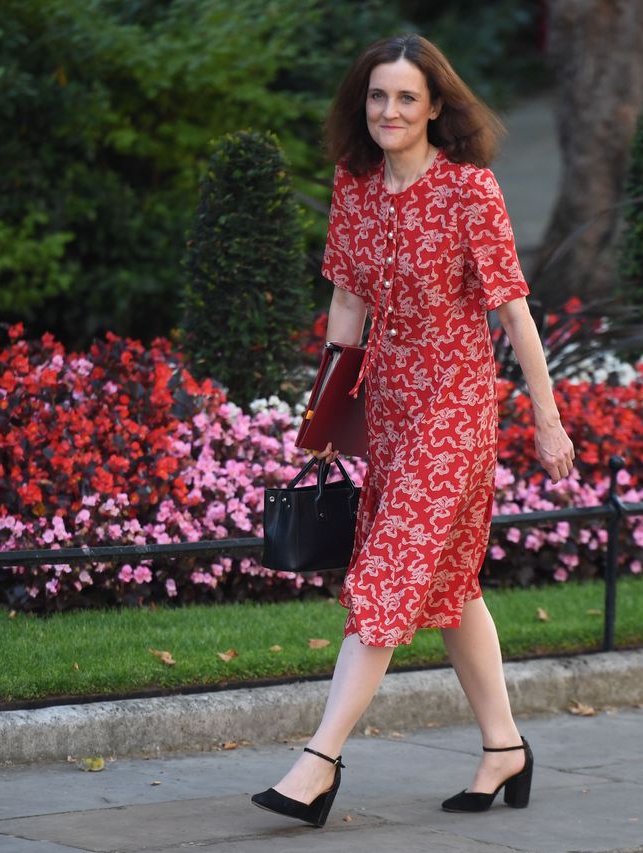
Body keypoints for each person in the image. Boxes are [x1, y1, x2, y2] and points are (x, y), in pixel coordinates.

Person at [251, 33, 575, 828]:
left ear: (435, 106)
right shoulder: (354, 185)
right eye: (377, 96)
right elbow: (349, 312)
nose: (389, 111)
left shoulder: (471, 189)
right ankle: (504, 746)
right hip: (391, 414)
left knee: (387, 576)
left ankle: (318, 761)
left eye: (405, 97)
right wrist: (326, 415)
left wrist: (545, 412)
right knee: (451, 587)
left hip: (456, 410)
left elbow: (512, 308)